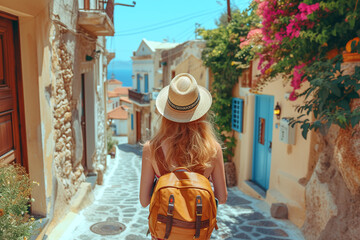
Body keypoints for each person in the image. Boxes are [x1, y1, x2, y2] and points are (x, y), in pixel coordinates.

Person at [139, 73, 228, 239]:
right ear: (201, 112)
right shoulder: (213, 149)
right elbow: (221, 198)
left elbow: (144, 201)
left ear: (165, 112)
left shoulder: (152, 148)